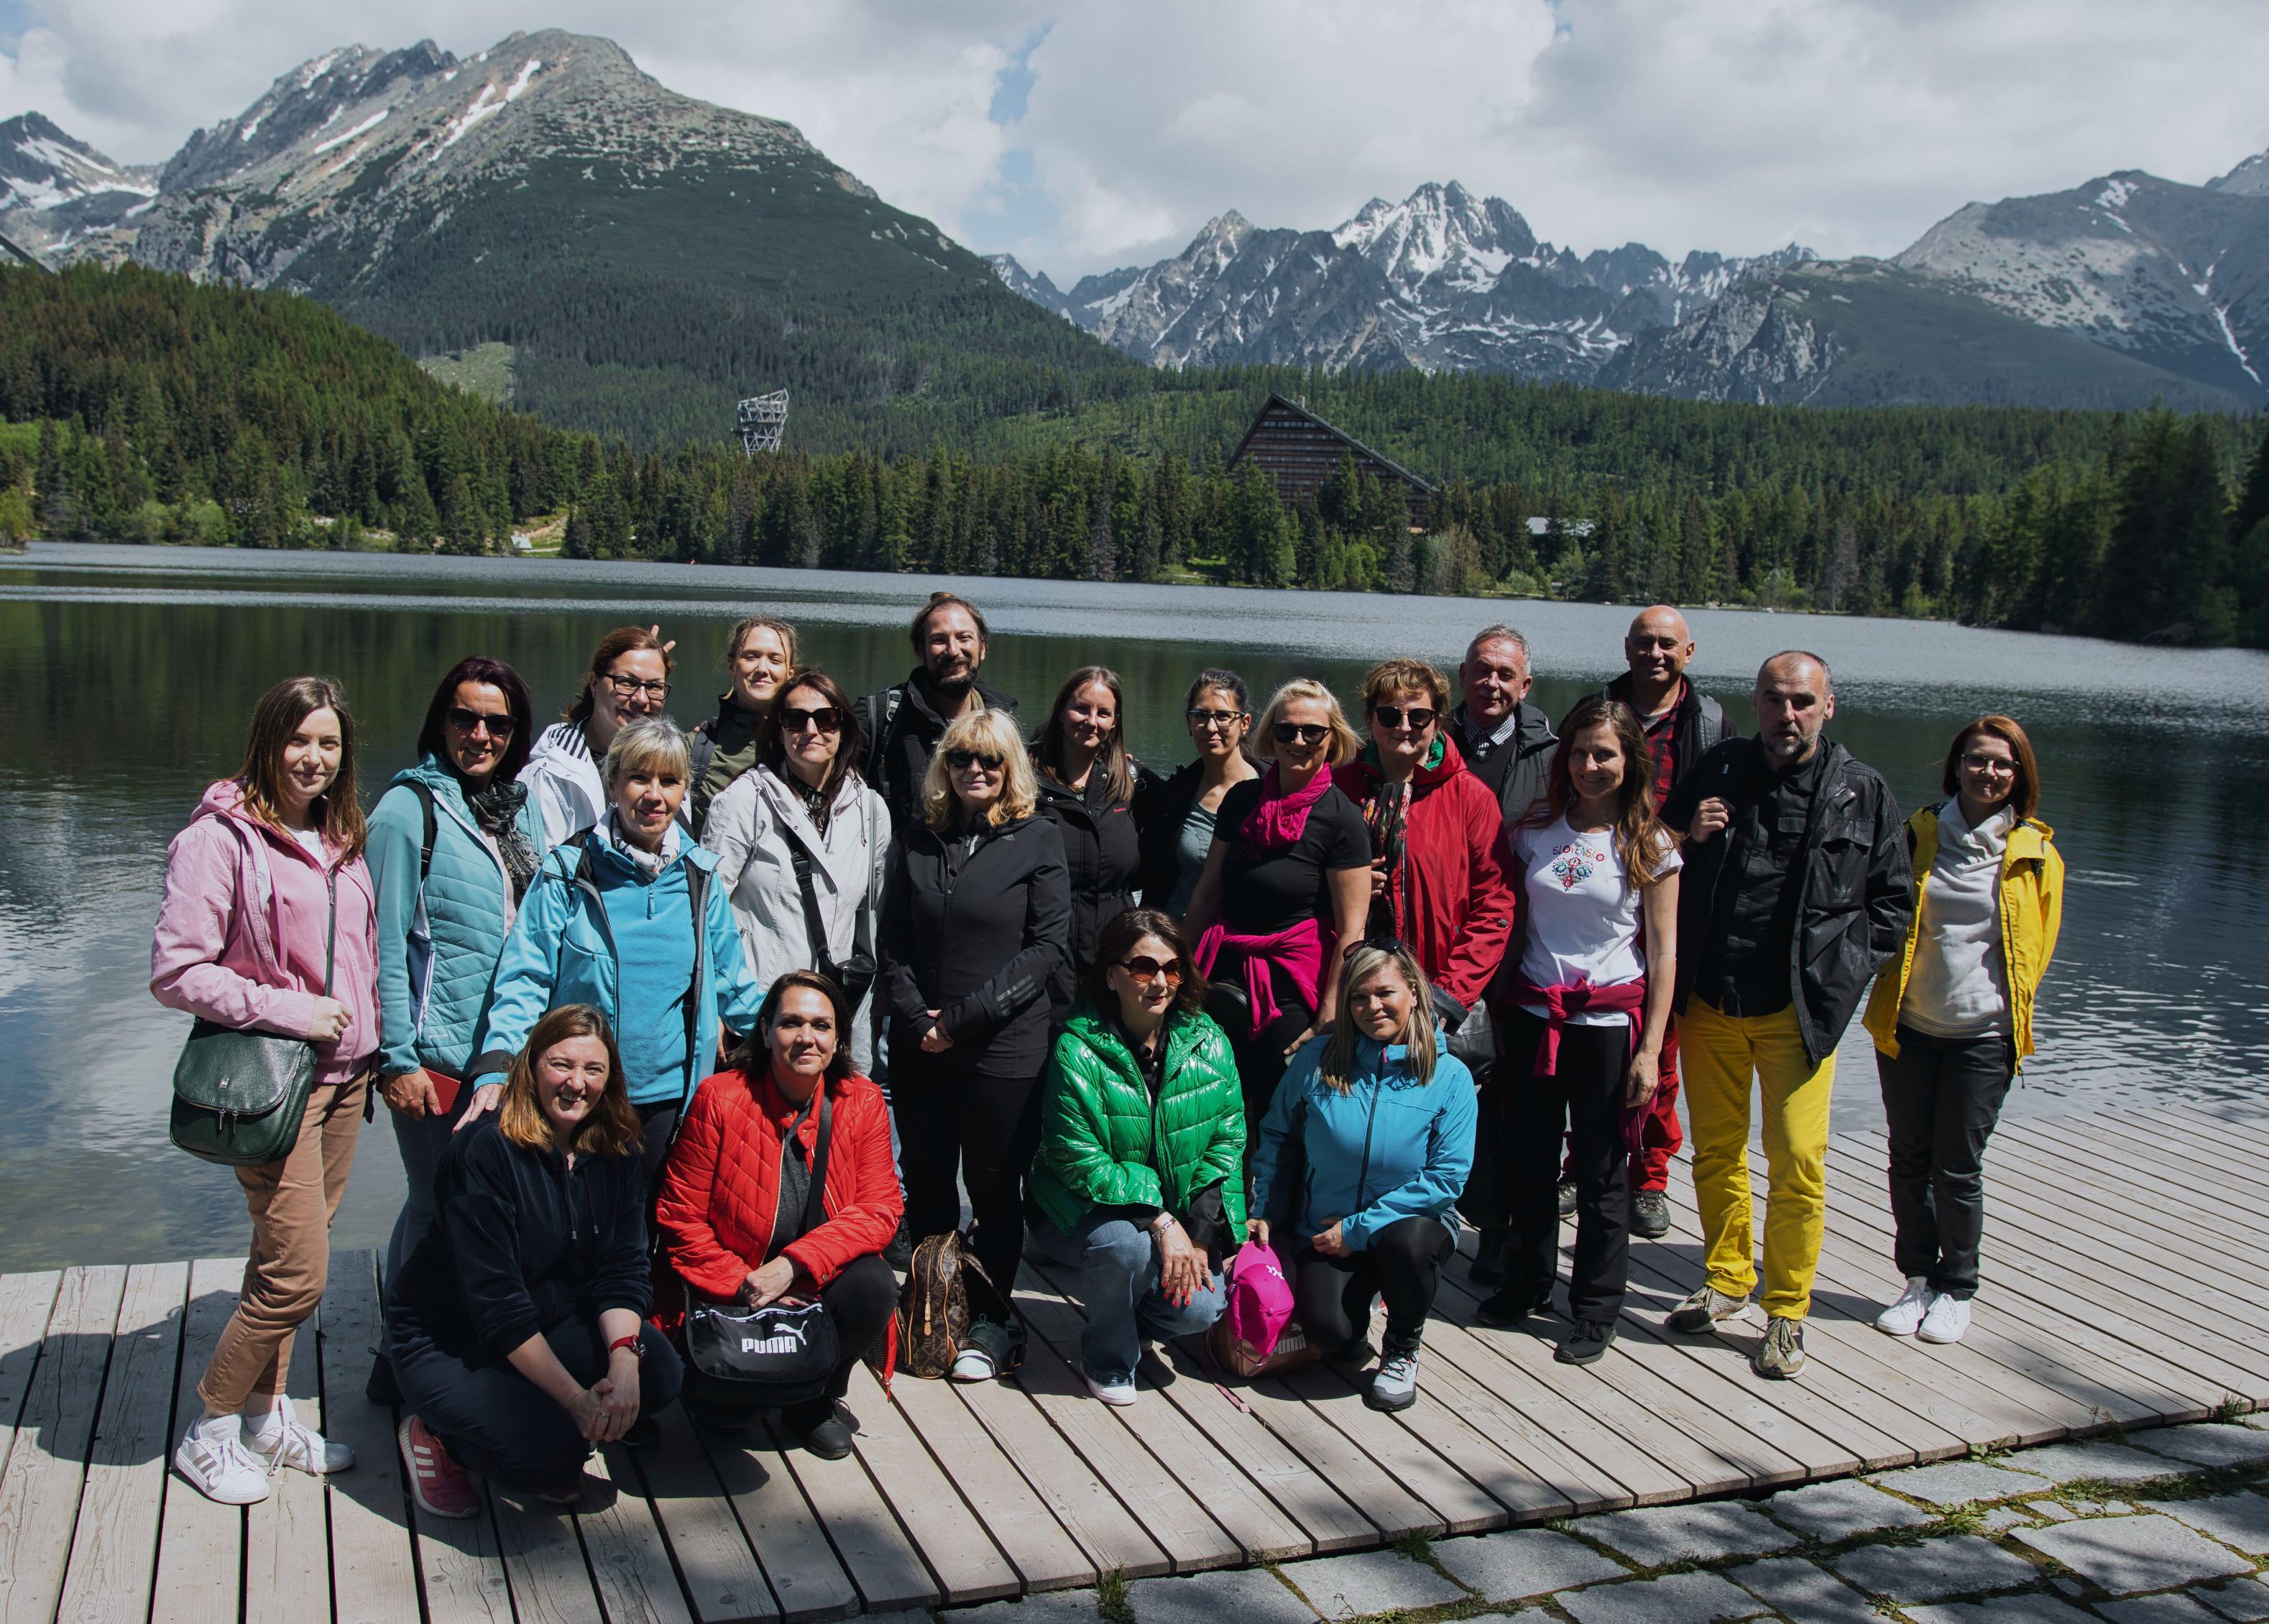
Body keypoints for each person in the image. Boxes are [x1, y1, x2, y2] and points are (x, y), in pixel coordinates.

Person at [152, 675, 381, 1505]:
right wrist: (290, 1009)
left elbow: (361, 953)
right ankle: (208, 1427)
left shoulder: (340, 835)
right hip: (277, 1084)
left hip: (346, 1081)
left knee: (281, 1255)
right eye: (299, 740)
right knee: (296, 1274)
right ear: (266, 742)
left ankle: (264, 1414)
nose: (314, 758)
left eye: (329, 743)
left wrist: (374, 1046)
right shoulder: (220, 839)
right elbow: (177, 972)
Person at [1660, 652, 1913, 1380]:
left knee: (1797, 1161)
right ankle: (1727, 1277)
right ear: (1757, 703)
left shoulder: (1860, 790)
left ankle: (1787, 1310)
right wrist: (1687, 835)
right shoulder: (1719, 768)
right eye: (1774, 700)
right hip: (1710, 1000)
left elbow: (1892, 902)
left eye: (1802, 701)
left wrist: (1841, 975)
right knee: (1713, 1151)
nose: (1787, 714)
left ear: (1827, 706)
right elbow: (1656, 854)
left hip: (1797, 1011)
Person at [388, 1006, 683, 1517]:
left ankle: (546, 1404)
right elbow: (496, 1305)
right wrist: (576, 1401)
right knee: (551, 1458)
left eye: (593, 1070)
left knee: (658, 1375)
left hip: (550, 1317)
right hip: (453, 1338)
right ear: (530, 1067)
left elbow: (623, 1270)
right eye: (560, 1064)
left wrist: (623, 1363)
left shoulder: (616, 1148)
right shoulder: (485, 1150)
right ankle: (436, 1435)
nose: (576, 1083)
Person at [474, 716, 766, 1189]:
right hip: (580, 1095)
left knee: (649, 1237)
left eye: (669, 781)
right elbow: (525, 979)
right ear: (613, 784)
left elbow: (734, 985)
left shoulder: (700, 877)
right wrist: (496, 1067)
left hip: (671, 1100)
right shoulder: (568, 873)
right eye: (639, 778)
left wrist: (800, 1044)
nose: (655, 795)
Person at [366, 656, 548, 1403]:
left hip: (506, 1054)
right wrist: (394, 1055)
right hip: (435, 1052)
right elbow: (377, 944)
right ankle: (397, 1356)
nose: (480, 734)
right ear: (440, 721)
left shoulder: (517, 807)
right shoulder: (408, 809)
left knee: (478, 1207)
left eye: (497, 722)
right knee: (434, 1202)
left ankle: (444, 1342)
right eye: (465, 717)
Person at [1479, 697, 1680, 1366]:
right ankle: (1528, 1281)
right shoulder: (1534, 830)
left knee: (1599, 1173)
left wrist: (1649, 1050)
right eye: (1579, 752)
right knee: (1527, 1164)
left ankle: (1594, 1308)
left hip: (1604, 1027)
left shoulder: (1648, 843)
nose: (1590, 765)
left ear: (1630, 763)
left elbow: (1663, 951)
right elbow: (1511, 923)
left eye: (1605, 754)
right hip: (1534, 1015)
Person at [879, 708, 1070, 1380]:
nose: (975, 771)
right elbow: (893, 944)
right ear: (944, 766)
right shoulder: (917, 839)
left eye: (990, 760)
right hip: (919, 1046)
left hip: (1001, 1048)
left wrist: (958, 1020)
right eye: (961, 758)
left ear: (1011, 767)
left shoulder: (1038, 838)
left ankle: (992, 1317)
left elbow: (1046, 948)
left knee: (993, 1188)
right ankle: (935, 1300)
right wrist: (914, 1017)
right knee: (928, 1182)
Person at [1863, 716, 2063, 1347]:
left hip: (1985, 1035)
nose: (1989, 772)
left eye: (2003, 764)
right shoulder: (1919, 835)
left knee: (1957, 1166)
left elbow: (2040, 945)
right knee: (1907, 1158)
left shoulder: (2034, 854)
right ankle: (1917, 1280)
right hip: (1909, 1025)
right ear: (1956, 766)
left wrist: (2009, 1016)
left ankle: (1958, 1289)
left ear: (2019, 775)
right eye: (1977, 760)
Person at [655, 971, 903, 1457]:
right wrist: (749, 1287)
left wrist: (793, 1268)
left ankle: (814, 1400)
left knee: (874, 1284)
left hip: (811, 1276)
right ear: (766, 1031)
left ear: (837, 1038)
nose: (806, 1037)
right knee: (725, 1420)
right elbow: (680, 1220)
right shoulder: (719, 1099)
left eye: (821, 1025)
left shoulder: (862, 1100)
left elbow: (879, 1208)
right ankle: (736, 1391)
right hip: (730, 1288)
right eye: (791, 1023)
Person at [1248, 944, 1476, 1413]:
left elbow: (1446, 1178)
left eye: (1384, 993)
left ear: (1413, 994)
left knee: (1408, 1246)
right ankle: (1369, 1298)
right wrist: (1264, 1211)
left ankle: (1401, 1348)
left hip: (1406, 1227)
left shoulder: (1448, 1075)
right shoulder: (1318, 1059)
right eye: (1358, 997)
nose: (1372, 1007)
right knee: (1330, 1335)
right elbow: (1277, 1137)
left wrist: (1356, 1230)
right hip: (1325, 1229)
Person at [1030, 910, 1243, 1406]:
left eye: (1172, 969)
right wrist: (1161, 1220)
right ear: (1111, 973)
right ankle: (1107, 1358)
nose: (1161, 983)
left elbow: (1227, 1142)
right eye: (1143, 968)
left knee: (1200, 1309)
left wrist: (1199, 1233)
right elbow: (1078, 1159)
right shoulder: (1075, 1049)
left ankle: (1122, 1319)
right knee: (1124, 1249)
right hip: (1078, 1209)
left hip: (1174, 1214)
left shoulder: (1209, 1041)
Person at [1182, 678, 1370, 1133]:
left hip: (1291, 988)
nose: (1298, 741)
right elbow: (1208, 892)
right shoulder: (1242, 799)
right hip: (1222, 973)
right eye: (1286, 731)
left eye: (1312, 732)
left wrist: (1329, 1016)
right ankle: (1212, 1205)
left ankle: (1269, 1206)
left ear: (1333, 737)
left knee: (1276, 1115)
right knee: (1208, 1109)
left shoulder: (1342, 819)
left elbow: (1352, 931)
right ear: (1269, 735)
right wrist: (1179, 971)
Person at [1598, 606, 1725, 1240]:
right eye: (1644, 642)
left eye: (1666, 644)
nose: (1654, 653)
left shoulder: (1710, 723)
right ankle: (1583, 1164)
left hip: (1671, 903)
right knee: (1590, 1044)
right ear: (1626, 647)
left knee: (1661, 1048)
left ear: (1689, 652)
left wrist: (1683, 839)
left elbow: (1715, 829)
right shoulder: (1600, 710)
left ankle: (1648, 1178)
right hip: (1598, 896)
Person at [702, 668, 890, 1075]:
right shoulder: (742, 801)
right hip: (758, 1015)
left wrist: (863, 1025)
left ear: (843, 728)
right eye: (795, 719)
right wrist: (712, 1008)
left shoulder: (872, 810)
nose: (811, 730)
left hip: (832, 1018)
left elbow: (870, 924)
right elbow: (703, 913)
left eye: (826, 719)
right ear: (778, 729)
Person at [1331, 657, 1514, 1040]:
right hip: (1347, 989)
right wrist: (1347, 885)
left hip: (1433, 991)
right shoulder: (1338, 790)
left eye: (1418, 717)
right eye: (1389, 715)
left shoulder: (1470, 797)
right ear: (1369, 719)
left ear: (1437, 723)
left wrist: (1448, 993)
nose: (1403, 727)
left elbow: (1495, 905)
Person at [857, 592, 1018, 835]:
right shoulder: (881, 717)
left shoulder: (1002, 722)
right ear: (921, 650)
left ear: (982, 647)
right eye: (939, 640)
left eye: (964, 638)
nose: (953, 651)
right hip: (901, 870)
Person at [1031, 665, 1148, 990]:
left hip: (1115, 956)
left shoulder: (1136, 785)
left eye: (1103, 713)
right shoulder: (1023, 780)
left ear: (1114, 723)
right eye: (1081, 708)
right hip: (1044, 954)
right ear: (1061, 712)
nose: (1091, 721)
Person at [523, 626, 676, 847]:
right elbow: (544, 870)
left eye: (654, 686)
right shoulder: (552, 772)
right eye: (627, 682)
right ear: (595, 683)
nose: (642, 698)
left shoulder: (668, 768)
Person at [1133, 669, 1261, 918]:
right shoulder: (1174, 795)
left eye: (1224, 716)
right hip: (1174, 938)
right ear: (1189, 723)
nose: (1211, 727)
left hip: (1237, 943)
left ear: (1244, 724)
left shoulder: (1269, 791)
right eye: (1201, 715)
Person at [687, 615, 799, 836]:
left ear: (790, 672)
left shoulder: (809, 746)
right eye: (751, 656)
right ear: (732, 667)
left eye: (775, 660)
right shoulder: (693, 749)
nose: (762, 668)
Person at [1452, 626, 1556, 828]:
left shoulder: (1549, 757)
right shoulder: (1428, 742)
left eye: (1505, 675)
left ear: (1525, 686)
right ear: (1463, 675)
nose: (1492, 683)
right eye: (1482, 670)